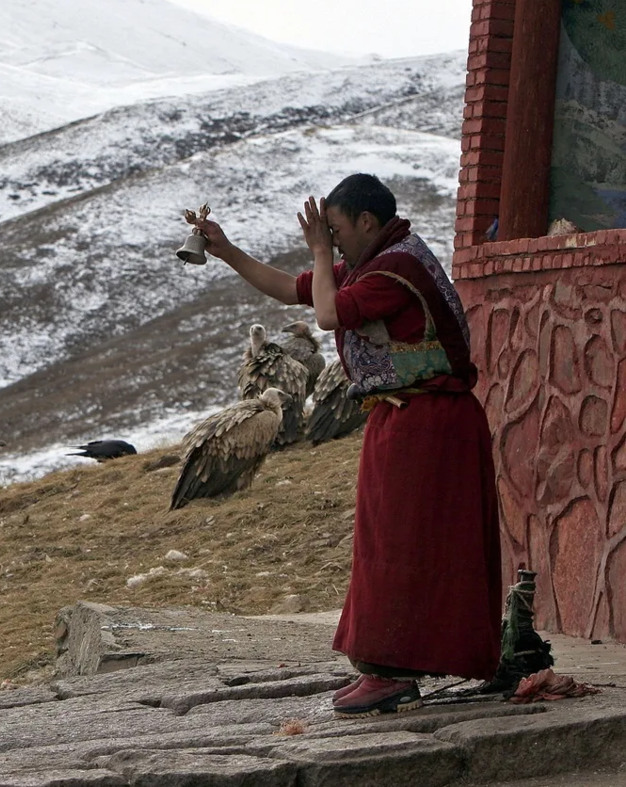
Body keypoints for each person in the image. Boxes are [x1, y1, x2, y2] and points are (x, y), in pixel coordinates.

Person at [190, 173, 502, 718]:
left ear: (367, 222)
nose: (331, 242)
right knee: (392, 540)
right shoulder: (373, 262)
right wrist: (225, 250)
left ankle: (391, 672)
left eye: (335, 231)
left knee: (401, 544)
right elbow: (296, 290)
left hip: (428, 420)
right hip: (407, 416)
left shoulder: (396, 267)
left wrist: (315, 247)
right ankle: (389, 667)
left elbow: (327, 314)